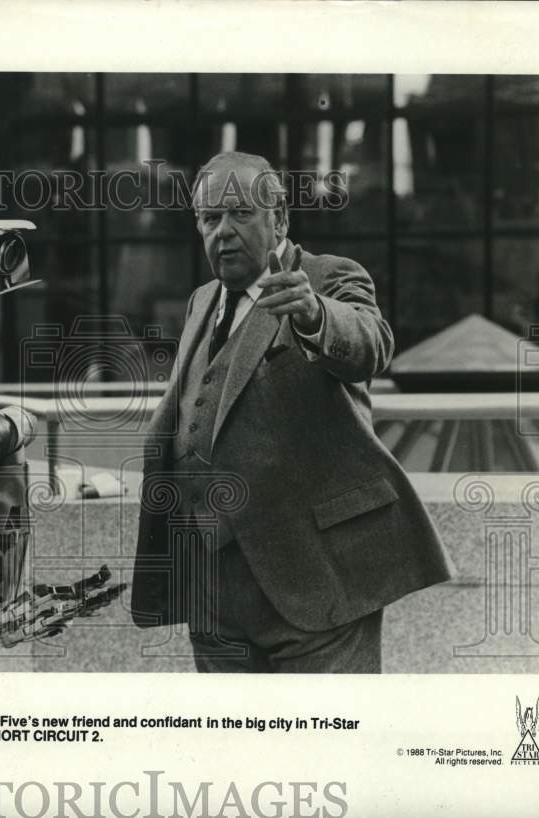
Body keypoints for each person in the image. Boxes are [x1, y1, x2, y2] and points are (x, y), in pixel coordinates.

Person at [130, 152, 454, 673]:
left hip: (318, 585)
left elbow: (369, 344)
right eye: (210, 219)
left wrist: (313, 314)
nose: (224, 232)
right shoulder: (201, 301)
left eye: (240, 214)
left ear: (278, 219)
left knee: (323, 749)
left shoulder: (327, 278)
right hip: (213, 597)